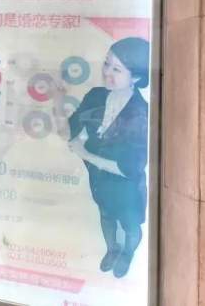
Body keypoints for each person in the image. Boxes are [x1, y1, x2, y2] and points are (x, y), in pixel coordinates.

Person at [66, 37, 149, 279]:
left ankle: (127, 253)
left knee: (130, 225)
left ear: (136, 77)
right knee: (105, 215)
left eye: (117, 69)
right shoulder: (96, 95)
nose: (107, 73)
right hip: (99, 180)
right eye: (106, 64)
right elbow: (76, 120)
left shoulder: (141, 113)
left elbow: (130, 168)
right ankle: (112, 249)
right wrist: (80, 135)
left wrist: (85, 153)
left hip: (127, 188)